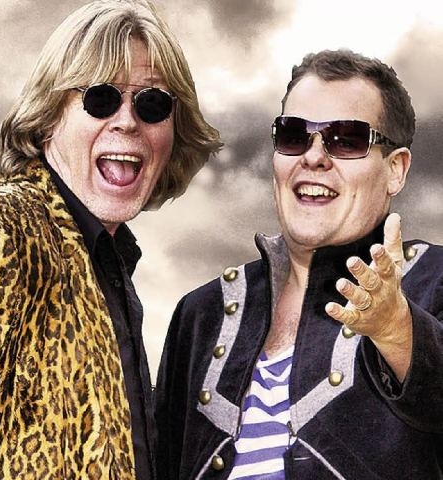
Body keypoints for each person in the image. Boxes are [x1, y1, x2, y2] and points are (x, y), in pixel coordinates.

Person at [0, 0, 222, 478]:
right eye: (101, 98)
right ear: (48, 116)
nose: (127, 121)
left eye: (152, 103)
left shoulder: (102, 260)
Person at [155, 49, 443, 479]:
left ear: (395, 170)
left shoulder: (435, 281)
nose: (314, 157)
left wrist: (397, 330)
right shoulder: (200, 315)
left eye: (346, 139)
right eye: (293, 135)